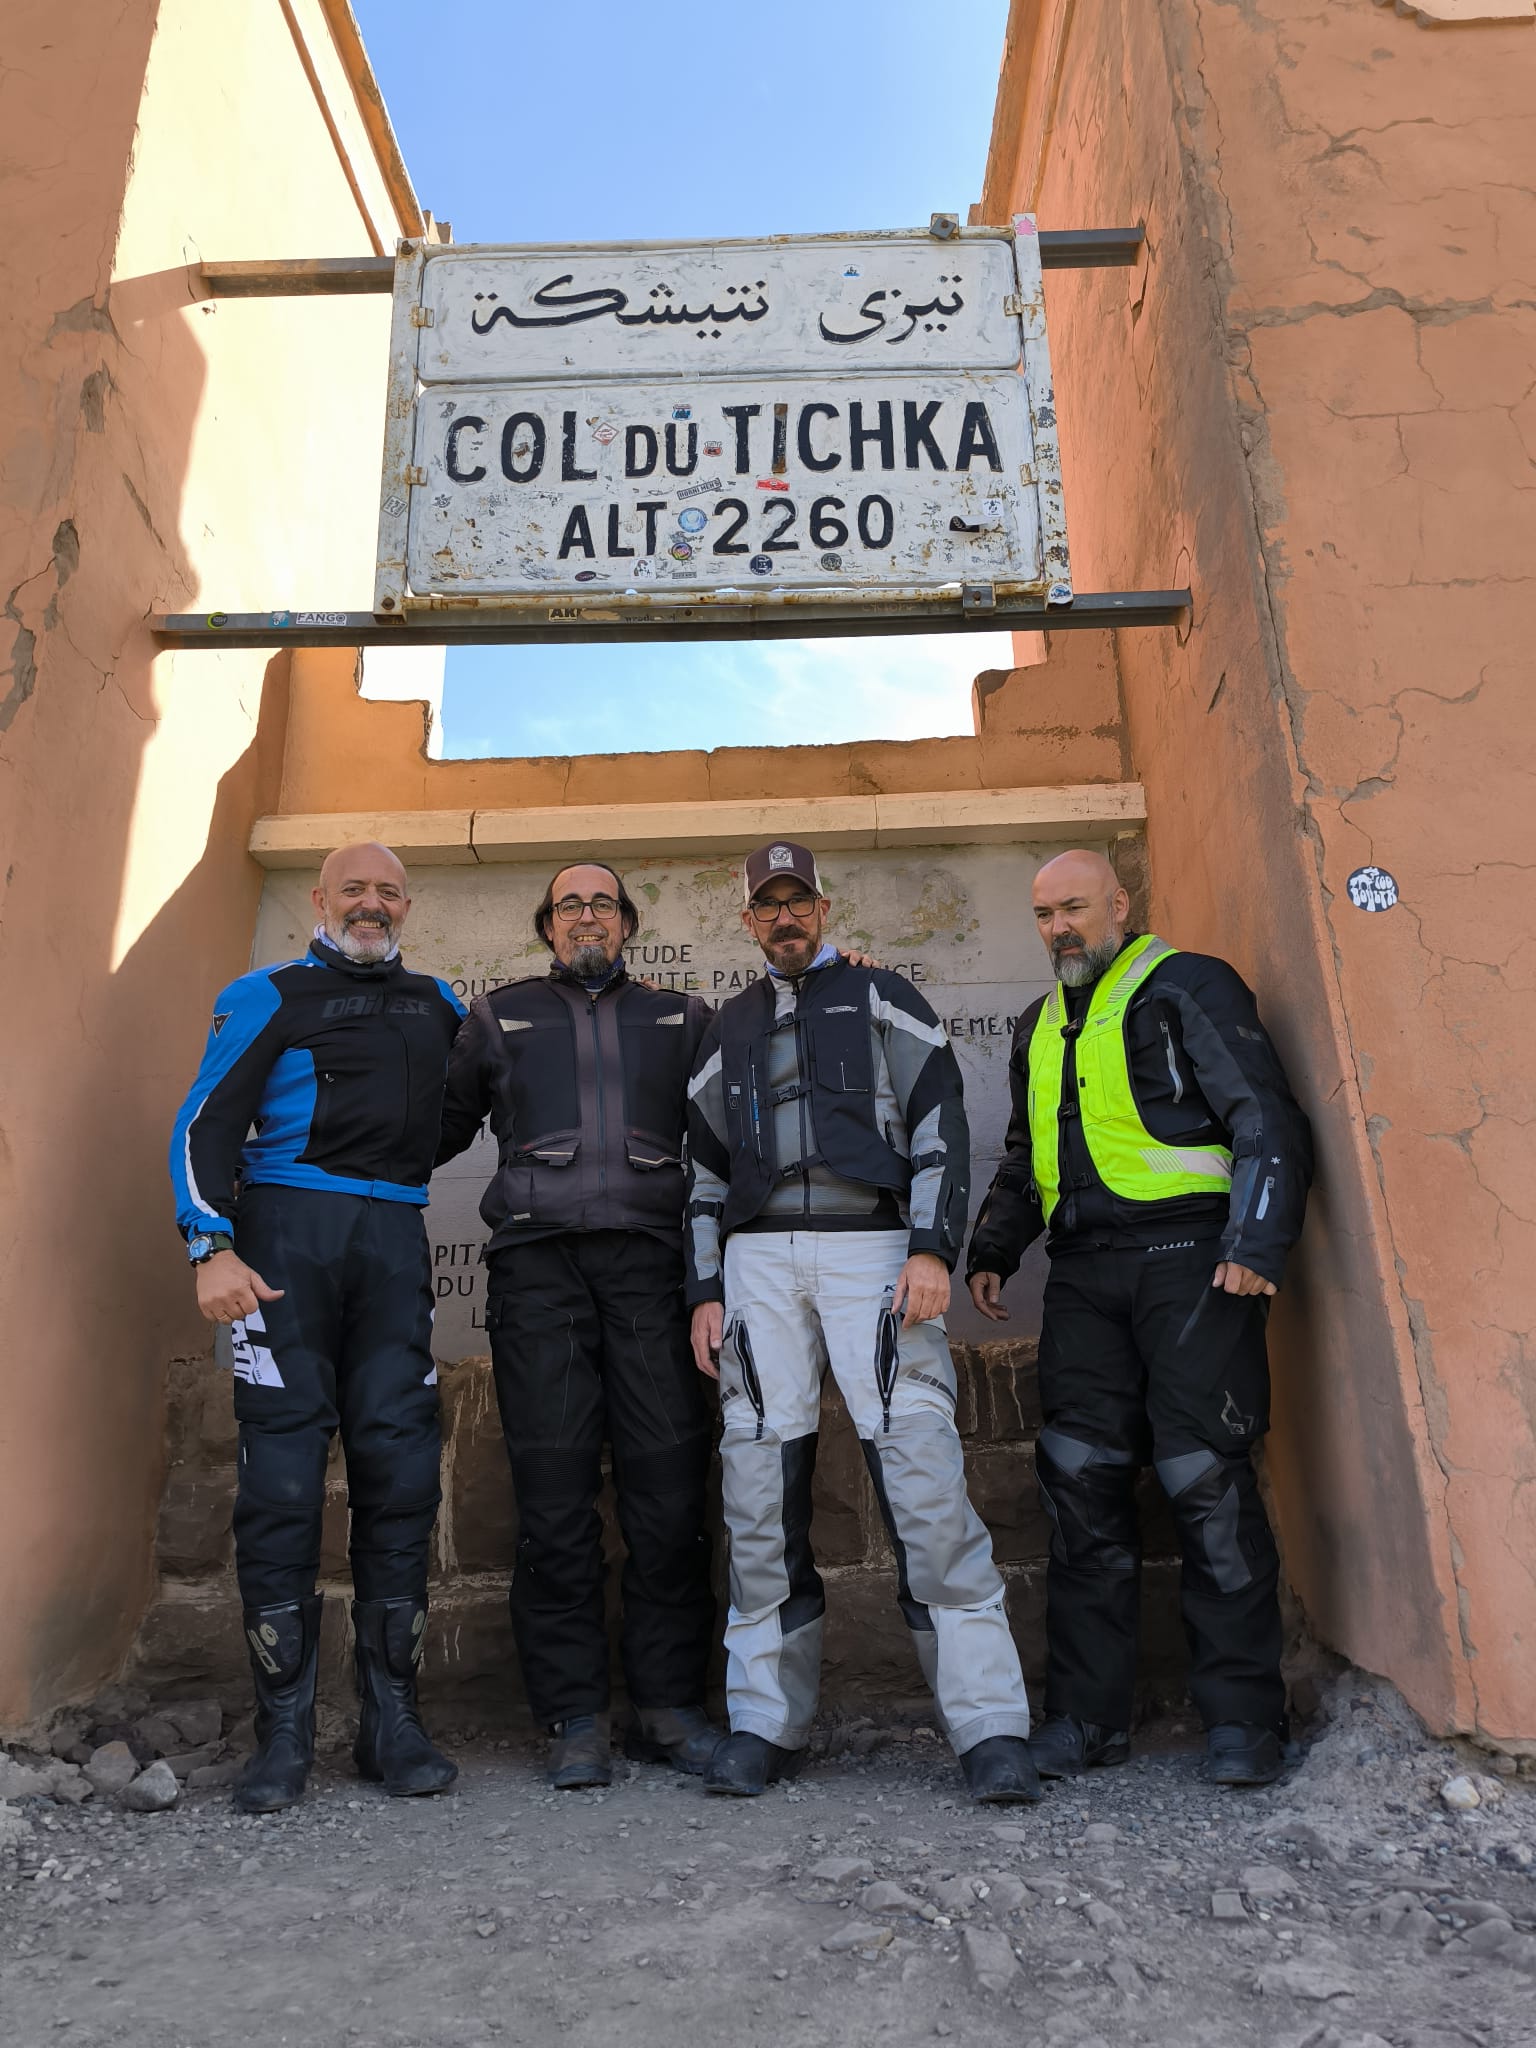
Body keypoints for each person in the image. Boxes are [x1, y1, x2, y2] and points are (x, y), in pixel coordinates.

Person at [686, 841, 1038, 1804]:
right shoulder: (727, 1026)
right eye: (768, 906)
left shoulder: (887, 998)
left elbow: (939, 1123)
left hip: (872, 1252)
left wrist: (932, 1248)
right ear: (748, 919)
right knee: (757, 1494)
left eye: (799, 902)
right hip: (759, 1263)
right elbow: (706, 1170)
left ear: (824, 909)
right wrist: (705, 1287)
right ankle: (765, 1720)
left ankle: (989, 1724)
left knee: (923, 1481)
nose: (785, 919)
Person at [966, 849, 1313, 1787]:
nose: (1060, 929)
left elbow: (1265, 1119)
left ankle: (1245, 1721)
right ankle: (1086, 1720)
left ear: (1119, 903)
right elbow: (1024, 1156)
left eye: (1074, 907)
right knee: (1080, 1488)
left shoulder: (1187, 984)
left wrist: (1255, 1240)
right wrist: (995, 1247)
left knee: (1206, 1479)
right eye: (1044, 915)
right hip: (1083, 1277)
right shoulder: (1037, 1026)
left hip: (1193, 1264)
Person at [169, 842, 464, 1813]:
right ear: (320, 899)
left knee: (402, 1470)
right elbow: (206, 1122)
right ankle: (283, 1732)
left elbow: (453, 1115)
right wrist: (210, 1244)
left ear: (408, 905)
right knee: (284, 1485)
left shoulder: (441, 1004)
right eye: (353, 889)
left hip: (392, 1238)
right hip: (285, 1240)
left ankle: (393, 1721)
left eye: (387, 890)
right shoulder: (265, 991)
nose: (370, 903)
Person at [435, 863, 720, 1789]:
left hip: (651, 1272)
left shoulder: (684, 1019)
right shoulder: (496, 1016)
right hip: (536, 1270)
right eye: (570, 905)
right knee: (554, 1500)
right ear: (547, 926)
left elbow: (741, 1123)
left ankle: (670, 1708)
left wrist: (847, 967)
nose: (587, 916)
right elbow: (425, 1127)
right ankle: (572, 1718)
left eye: (603, 903)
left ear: (628, 923)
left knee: (669, 1494)